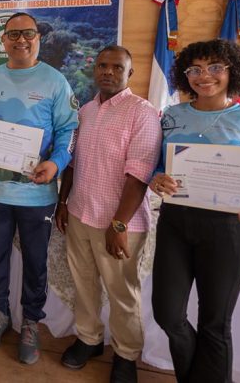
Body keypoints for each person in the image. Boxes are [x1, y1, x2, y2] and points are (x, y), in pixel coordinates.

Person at [148, 39, 240, 383]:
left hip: (229, 229)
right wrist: (156, 180)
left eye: (214, 67)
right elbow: (154, 165)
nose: (203, 76)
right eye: (194, 69)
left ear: (232, 72)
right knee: (168, 314)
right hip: (176, 223)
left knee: (215, 323)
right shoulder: (171, 116)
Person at [0, 12, 79, 365]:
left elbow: (67, 131)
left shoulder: (54, 81)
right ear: (2, 40)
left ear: (38, 37)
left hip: (37, 194)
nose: (21, 40)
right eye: (13, 34)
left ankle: (31, 322)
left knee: (35, 261)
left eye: (28, 33)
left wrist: (57, 163)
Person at [55, 45, 162, 382]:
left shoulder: (143, 112)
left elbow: (139, 175)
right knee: (84, 285)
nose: (108, 72)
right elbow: (72, 162)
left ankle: (127, 354)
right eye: (102, 66)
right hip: (80, 214)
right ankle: (89, 339)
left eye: (117, 67)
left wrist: (118, 224)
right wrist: (62, 203)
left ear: (130, 73)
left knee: (122, 293)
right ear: (94, 69)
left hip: (119, 224)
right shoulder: (85, 111)